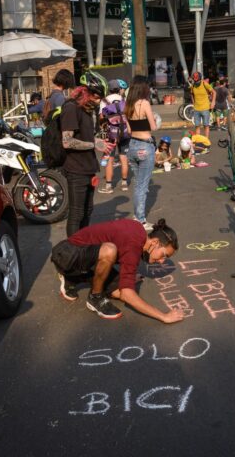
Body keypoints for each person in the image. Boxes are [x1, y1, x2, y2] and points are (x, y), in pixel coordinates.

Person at [52, 218, 184, 323]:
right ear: (155, 242)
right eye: (164, 255)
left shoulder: (138, 232)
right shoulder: (133, 245)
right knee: (109, 251)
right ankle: (95, 298)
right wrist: (163, 316)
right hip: (66, 254)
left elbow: (123, 286)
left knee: (117, 291)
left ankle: (72, 278)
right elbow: (127, 294)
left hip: (81, 257)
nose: (162, 262)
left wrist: (127, 279)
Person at [61, 71, 112, 237]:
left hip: (88, 167)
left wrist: (100, 142)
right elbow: (67, 141)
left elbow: (87, 136)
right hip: (76, 168)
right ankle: (73, 248)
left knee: (87, 210)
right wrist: (93, 144)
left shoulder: (87, 109)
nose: (98, 101)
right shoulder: (71, 108)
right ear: (85, 91)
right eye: (97, 97)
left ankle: (82, 245)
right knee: (76, 213)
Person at [125, 75, 159, 231]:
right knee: (142, 186)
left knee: (138, 184)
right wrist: (155, 119)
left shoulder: (128, 105)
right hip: (145, 145)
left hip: (132, 145)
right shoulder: (144, 103)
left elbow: (129, 130)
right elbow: (153, 126)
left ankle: (137, 216)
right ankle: (140, 219)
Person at [98, 79, 130, 194]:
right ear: (119, 89)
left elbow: (101, 118)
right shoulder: (123, 100)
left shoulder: (104, 100)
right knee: (123, 158)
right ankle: (124, 184)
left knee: (109, 159)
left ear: (109, 89)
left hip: (111, 133)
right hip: (124, 132)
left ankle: (109, 186)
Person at [189, 71, 215, 141]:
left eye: (197, 79)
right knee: (197, 126)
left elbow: (214, 92)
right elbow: (191, 94)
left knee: (206, 126)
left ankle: (206, 141)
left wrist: (213, 102)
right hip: (196, 109)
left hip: (205, 108)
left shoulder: (204, 83)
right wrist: (193, 103)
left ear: (200, 78)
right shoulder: (193, 86)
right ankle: (198, 140)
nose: (196, 81)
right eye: (194, 79)